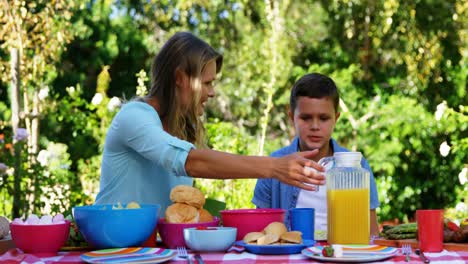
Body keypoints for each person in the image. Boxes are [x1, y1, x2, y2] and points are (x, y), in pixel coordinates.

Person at [95, 32, 326, 213]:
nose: (212, 92)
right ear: (179, 78)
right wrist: (273, 167)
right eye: (207, 83)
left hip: (153, 251)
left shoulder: (180, 129)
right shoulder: (134, 116)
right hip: (113, 248)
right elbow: (191, 161)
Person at [252, 73, 380, 237]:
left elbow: (372, 234)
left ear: (336, 118)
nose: (315, 126)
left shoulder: (357, 166)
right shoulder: (274, 165)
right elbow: (262, 235)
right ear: (292, 117)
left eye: (324, 118)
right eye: (306, 118)